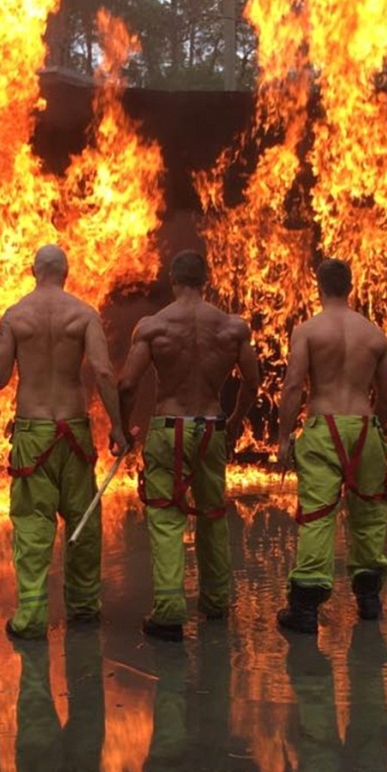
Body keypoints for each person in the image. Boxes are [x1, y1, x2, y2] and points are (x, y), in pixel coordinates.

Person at [0, 243, 126, 639]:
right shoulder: (83, 314)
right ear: (66, 272)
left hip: (33, 431)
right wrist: (116, 426)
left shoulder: (15, 315)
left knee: (32, 523)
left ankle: (30, 618)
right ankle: (83, 607)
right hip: (74, 430)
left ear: (34, 270)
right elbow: (102, 372)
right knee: (83, 519)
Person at [118, 249, 260, 641]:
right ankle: (215, 602)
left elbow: (128, 383)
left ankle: (169, 611)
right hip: (211, 425)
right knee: (212, 513)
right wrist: (234, 420)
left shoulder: (154, 326)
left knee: (166, 517)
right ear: (206, 280)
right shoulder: (232, 328)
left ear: (172, 279)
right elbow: (253, 380)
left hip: (169, 426)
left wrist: (122, 428)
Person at [275, 257, 387, 634]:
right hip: (365, 427)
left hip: (323, 428)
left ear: (318, 286)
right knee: (370, 515)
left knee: (317, 516)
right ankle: (369, 599)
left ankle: (306, 609)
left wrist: (283, 439)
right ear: (351, 286)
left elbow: (294, 386)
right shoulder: (374, 334)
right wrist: (379, 431)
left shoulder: (308, 331)